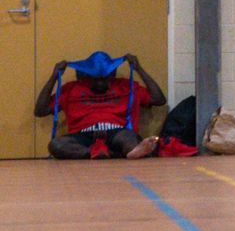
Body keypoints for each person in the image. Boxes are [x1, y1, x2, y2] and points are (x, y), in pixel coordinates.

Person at [35, 52, 164, 159]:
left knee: (128, 138)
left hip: (117, 132)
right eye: (95, 78)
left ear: (111, 75)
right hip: (83, 135)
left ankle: (133, 151)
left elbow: (158, 99)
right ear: (87, 75)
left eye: (104, 78)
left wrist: (138, 69)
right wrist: (54, 76)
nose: (100, 82)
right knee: (56, 145)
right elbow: (41, 110)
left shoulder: (126, 86)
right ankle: (99, 154)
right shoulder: (72, 89)